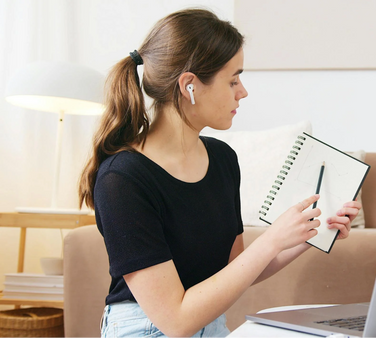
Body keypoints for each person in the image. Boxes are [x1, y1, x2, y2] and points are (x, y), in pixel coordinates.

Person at [78, 8, 361, 338]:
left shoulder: (222, 158)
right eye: (233, 79)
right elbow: (175, 320)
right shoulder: (122, 180)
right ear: (190, 86)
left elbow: (235, 268)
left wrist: (310, 233)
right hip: (145, 330)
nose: (242, 91)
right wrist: (270, 239)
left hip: (210, 327)